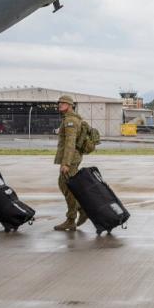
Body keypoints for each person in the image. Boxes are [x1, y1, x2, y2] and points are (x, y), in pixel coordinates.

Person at [54, 94, 88, 231]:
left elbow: (70, 143)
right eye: (59, 103)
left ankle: (72, 218)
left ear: (69, 105)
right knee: (65, 186)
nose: (59, 105)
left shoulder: (71, 121)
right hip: (72, 158)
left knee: (69, 188)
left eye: (62, 103)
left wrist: (66, 163)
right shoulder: (69, 119)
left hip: (71, 160)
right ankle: (79, 210)